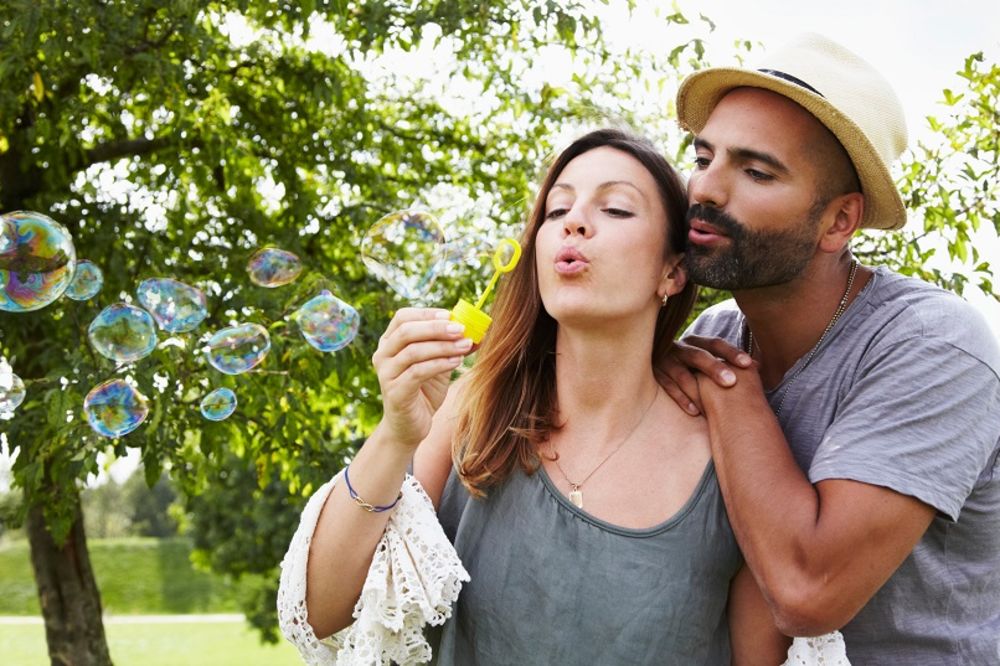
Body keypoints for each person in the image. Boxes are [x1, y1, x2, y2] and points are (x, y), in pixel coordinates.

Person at [289, 128, 789, 664]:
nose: (573, 222)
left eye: (616, 209)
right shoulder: (472, 411)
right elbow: (323, 614)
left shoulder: (726, 456)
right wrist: (396, 433)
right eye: (557, 210)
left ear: (671, 271)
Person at [662, 33, 1000, 662]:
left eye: (757, 171)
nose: (705, 189)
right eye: (703, 157)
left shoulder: (933, 345)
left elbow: (807, 593)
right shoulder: (714, 337)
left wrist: (733, 397)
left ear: (838, 222)